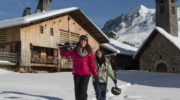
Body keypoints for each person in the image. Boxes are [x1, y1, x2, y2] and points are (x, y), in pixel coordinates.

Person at [60, 35, 98, 100]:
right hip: (76, 74)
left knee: (83, 91)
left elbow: (91, 64)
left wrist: (95, 73)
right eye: (82, 40)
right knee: (77, 91)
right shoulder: (75, 50)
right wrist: (63, 48)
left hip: (86, 74)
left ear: (87, 42)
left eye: (85, 41)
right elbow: (63, 54)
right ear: (80, 41)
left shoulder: (89, 52)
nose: (83, 42)